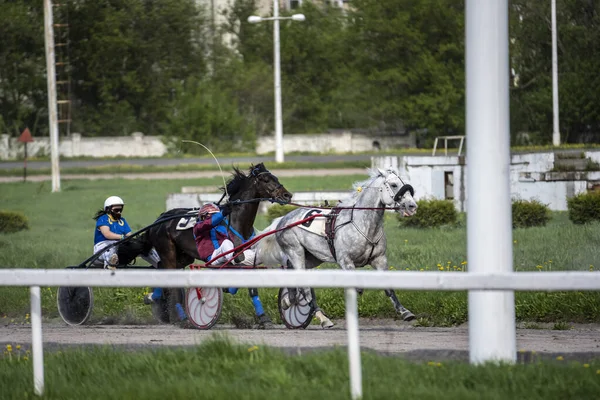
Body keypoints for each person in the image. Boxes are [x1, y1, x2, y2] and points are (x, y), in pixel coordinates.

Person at [93, 195, 160, 270]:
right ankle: (110, 264)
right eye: (116, 210)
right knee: (112, 246)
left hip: (120, 246)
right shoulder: (103, 219)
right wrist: (122, 237)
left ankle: (161, 264)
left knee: (143, 247)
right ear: (108, 209)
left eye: (120, 210)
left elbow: (129, 235)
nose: (119, 212)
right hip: (103, 247)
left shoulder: (122, 221)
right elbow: (107, 234)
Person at [192, 202, 255, 267]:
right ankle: (235, 259)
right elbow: (209, 223)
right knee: (226, 243)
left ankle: (259, 257)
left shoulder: (221, 228)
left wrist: (249, 244)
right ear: (203, 216)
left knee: (252, 250)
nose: (217, 217)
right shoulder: (198, 227)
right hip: (213, 258)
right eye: (213, 215)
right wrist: (222, 213)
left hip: (225, 255)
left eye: (216, 214)